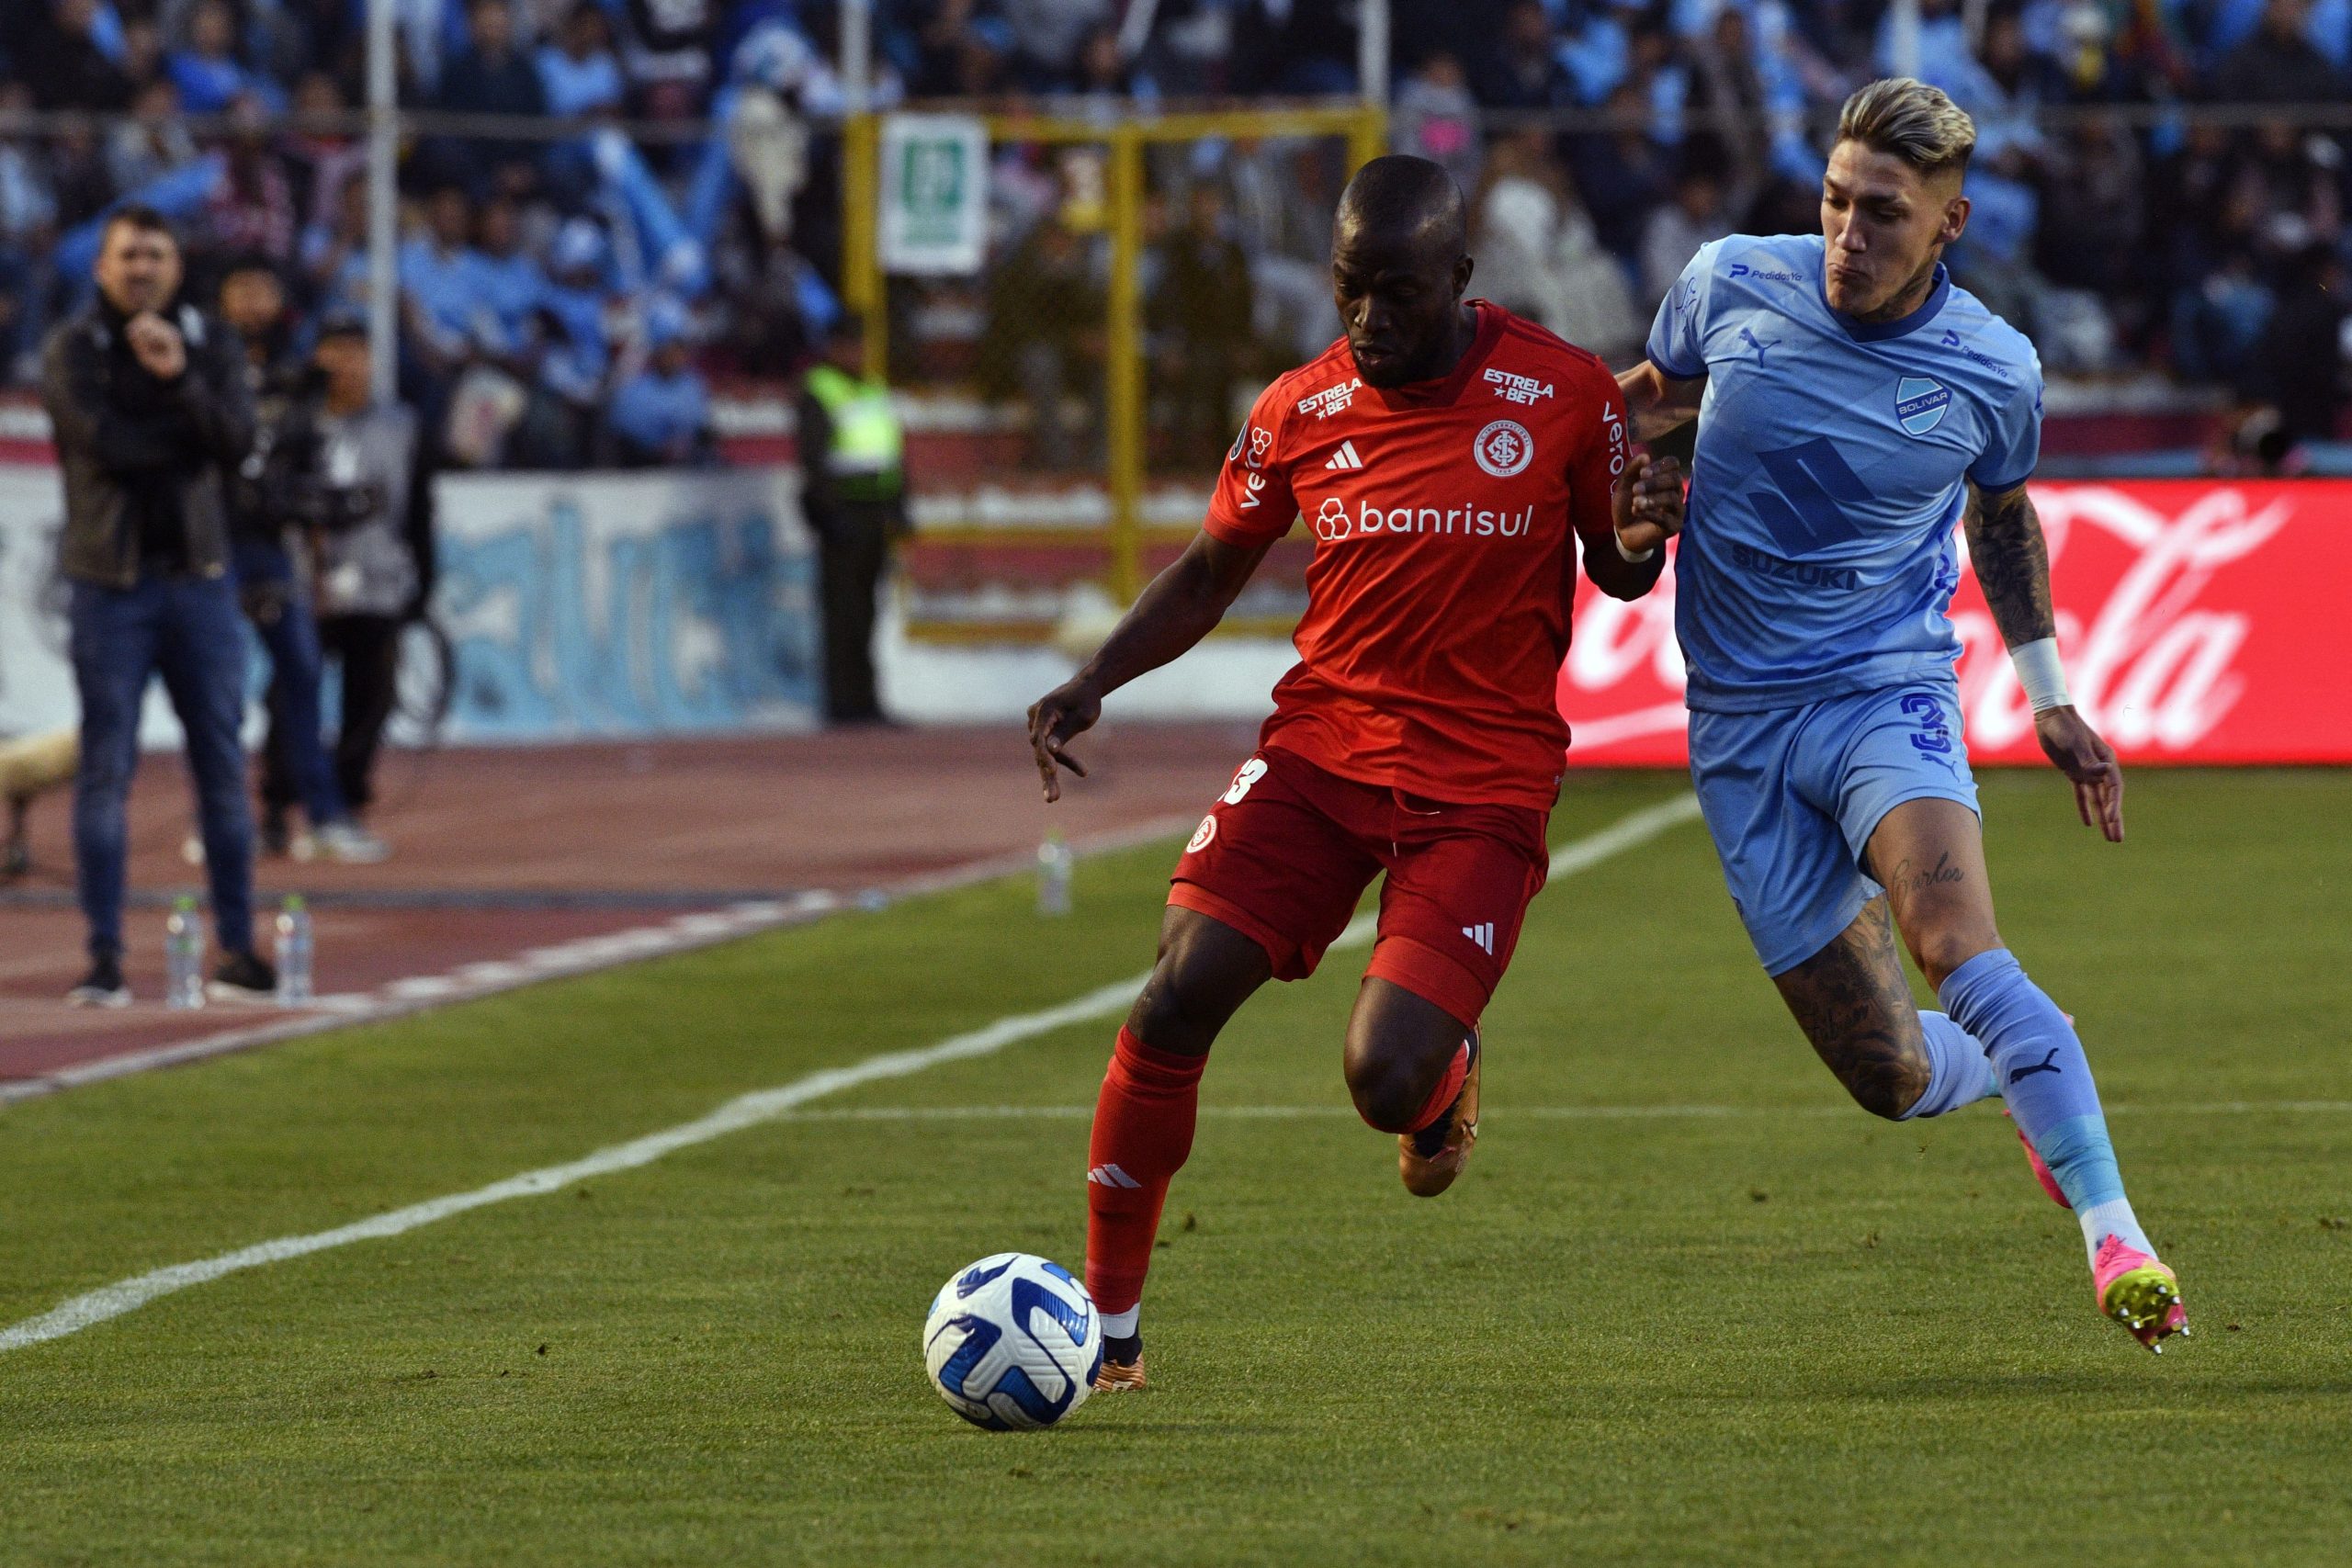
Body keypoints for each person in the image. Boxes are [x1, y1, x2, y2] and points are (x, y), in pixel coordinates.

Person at [1026, 156, 1686, 1392]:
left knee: (1380, 1078)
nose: (1371, 320)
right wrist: (1095, 675)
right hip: (1322, 754)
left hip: (1481, 783)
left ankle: (1441, 1078)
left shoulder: (1563, 390)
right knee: (1174, 993)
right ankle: (1109, 1333)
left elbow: (1620, 557)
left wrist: (1645, 540)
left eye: (1398, 292)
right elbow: (1212, 570)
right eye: (1350, 290)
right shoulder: (1299, 406)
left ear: (1459, 277)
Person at [1614, 79, 2187, 1352]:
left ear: (1950, 224)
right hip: (1740, 724)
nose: (1847, 235)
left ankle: (2116, 1234)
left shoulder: (1993, 368)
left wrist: (2050, 695)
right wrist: (1625, 494)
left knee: (1949, 936)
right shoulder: (1728, 282)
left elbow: (1999, 509)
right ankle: (2032, 1063)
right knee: (1889, 1073)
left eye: (1882, 213)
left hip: (1886, 689)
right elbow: (1644, 398)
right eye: (1833, 201)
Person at [40, 205, 274, 1006]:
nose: (142, 267)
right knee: (107, 768)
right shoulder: (73, 348)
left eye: (156, 254)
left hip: (199, 579)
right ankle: (104, 957)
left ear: (177, 265)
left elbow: (238, 444)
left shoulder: (210, 344)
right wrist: (190, 427)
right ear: (102, 266)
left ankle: (239, 948)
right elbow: (104, 446)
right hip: (113, 583)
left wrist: (178, 381)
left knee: (221, 762)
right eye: (128, 254)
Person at [216, 261, 388, 863]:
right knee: (218, 683)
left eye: (265, 289)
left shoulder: (296, 380)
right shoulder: (202, 367)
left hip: (268, 546)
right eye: (243, 289)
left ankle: (321, 813)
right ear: (222, 300)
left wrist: (324, 506)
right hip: (209, 546)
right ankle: (222, 814)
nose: (254, 302)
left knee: (302, 673)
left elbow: (306, 470)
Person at [305, 315, 434, 833]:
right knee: (292, 695)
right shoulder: (297, 421)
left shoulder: (401, 427)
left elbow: (420, 511)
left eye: (357, 353)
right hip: (308, 584)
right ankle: (279, 799)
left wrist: (423, 581)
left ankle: (347, 800)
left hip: (379, 582)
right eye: (336, 352)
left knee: (370, 698)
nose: (347, 365)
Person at [797, 313, 907, 726]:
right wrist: (828, 513)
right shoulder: (819, 390)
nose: (856, 352)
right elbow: (813, 459)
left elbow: (891, 450)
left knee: (868, 613)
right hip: (843, 514)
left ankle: (866, 700)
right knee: (843, 614)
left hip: (875, 510)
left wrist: (900, 505)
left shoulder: (872, 388)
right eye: (849, 344)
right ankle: (843, 704)